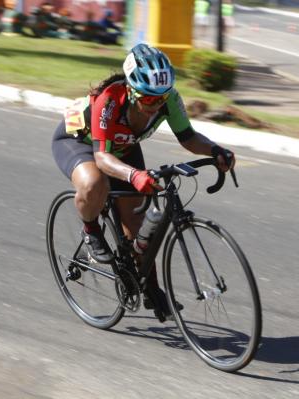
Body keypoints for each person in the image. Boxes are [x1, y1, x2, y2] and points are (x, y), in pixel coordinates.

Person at [51, 44, 235, 321]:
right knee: (95, 183)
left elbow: (188, 137)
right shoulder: (111, 100)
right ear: (131, 90)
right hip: (82, 144)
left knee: (139, 231)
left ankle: (150, 286)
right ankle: (90, 229)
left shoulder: (168, 99)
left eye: (161, 99)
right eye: (148, 99)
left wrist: (216, 151)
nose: (156, 105)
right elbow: (102, 156)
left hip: (123, 149)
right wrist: (134, 175)